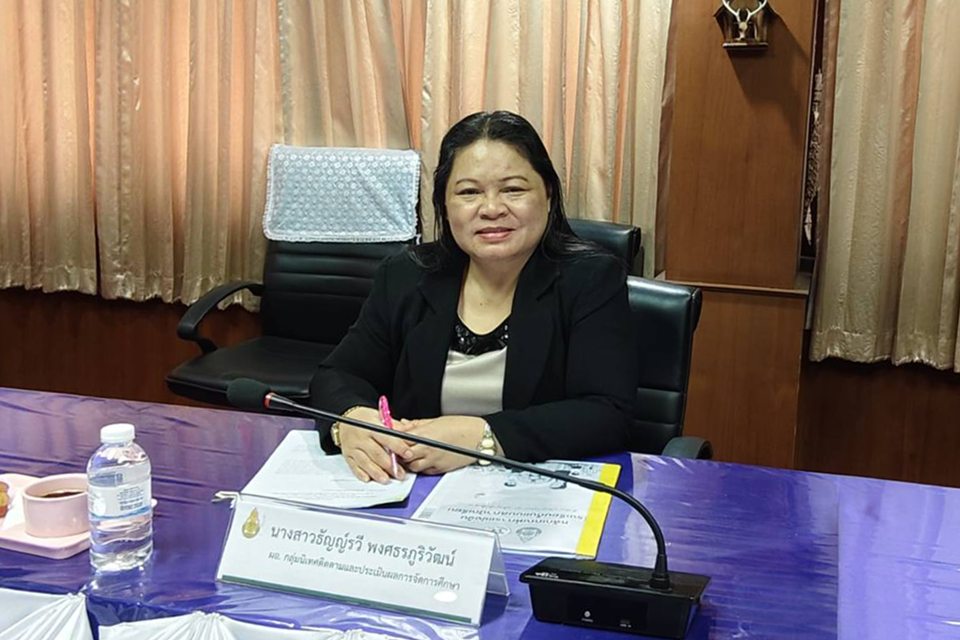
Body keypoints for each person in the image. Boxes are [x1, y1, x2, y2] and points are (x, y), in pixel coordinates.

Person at [309, 110, 636, 483]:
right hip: (417, 488)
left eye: (513, 189)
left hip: (533, 491)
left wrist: (484, 437)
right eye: (469, 192)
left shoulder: (591, 279)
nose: (492, 209)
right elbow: (338, 374)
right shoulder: (406, 275)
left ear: (547, 195)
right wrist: (350, 420)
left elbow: (607, 413)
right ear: (445, 206)